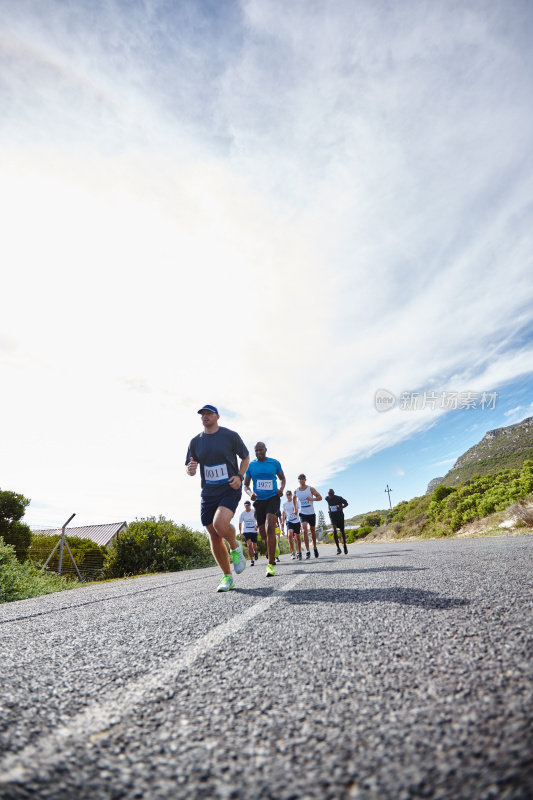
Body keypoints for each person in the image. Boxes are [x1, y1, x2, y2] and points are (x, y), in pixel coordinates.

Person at [186, 404, 249, 592]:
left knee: (219, 524)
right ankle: (227, 577)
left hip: (229, 488)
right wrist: (190, 470)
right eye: (202, 414)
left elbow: (245, 458)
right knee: (213, 535)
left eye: (209, 413)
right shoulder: (195, 442)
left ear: (217, 416)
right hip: (208, 493)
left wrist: (240, 476)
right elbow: (190, 466)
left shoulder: (230, 435)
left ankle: (234, 546)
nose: (205, 416)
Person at [244, 442, 286, 577]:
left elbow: (282, 478)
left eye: (260, 450)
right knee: (263, 534)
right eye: (256, 450)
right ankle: (273, 548)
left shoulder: (274, 463)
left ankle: (271, 563)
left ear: (265, 450)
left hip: (273, 498)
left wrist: (281, 489)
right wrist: (251, 494)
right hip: (259, 501)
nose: (258, 452)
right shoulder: (251, 466)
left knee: (270, 529)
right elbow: (245, 485)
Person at [295, 474, 322, 559]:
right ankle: (307, 551)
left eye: (302, 479)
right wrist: (295, 508)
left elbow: (320, 497)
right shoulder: (296, 491)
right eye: (299, 479)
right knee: (304, 530)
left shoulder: (310, 489)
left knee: (313, 531)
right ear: (298, 480)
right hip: (302, 513)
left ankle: (314, 547)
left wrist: (312, 499)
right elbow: (294, 499)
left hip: (311, 513)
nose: (301, 480)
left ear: (305, 480)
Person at [325, 489, 349, 554]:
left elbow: (346, 503)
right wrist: (329, 509)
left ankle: (344, 546)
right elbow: (329, 505)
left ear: (334, 493)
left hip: (340, 516)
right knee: (334, 530)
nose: (330, 495)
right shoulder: (327, 498)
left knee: (342, 532)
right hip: (332, 516)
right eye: (329, 494)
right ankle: (338, 548)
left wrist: (342, 507)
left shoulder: (339, 498)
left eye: (331, 494)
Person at [282, 489, 302, 560]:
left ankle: (299, 552)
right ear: (286, 496)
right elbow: (284, 513)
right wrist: (282, 522)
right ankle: (292, 553)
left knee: (297, 538)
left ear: (291, 495)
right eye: (287, 495)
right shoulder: (284, 504)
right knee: (290, 535)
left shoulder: (296, 502)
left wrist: (296, 511)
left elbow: (300, 509)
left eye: (289, 495)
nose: (288, 496)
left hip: (296, 521)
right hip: (289, 521)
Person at [239, 500, 259, 565]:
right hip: (246, 531)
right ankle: (251, 560)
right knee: (249, 544)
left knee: (254, 546)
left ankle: (255, 552)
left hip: (254, 530)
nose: (247, 507)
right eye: (245, 506)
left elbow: (258, 519)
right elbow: (240, 523)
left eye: (248, 506)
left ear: (250, 506)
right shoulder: (242, 514)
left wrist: (257, 526)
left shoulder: (254, 512)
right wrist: (240, 533)